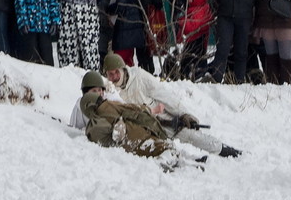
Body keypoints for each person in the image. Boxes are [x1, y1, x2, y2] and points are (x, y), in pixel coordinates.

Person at [102, 53, 242, 158]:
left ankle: (227, 151)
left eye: (116, 72)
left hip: (164, 120)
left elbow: (164, 95)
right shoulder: (109, 90)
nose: (114, 77)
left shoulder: (139, 76)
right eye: (110, 74)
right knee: (163, 151)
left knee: (192, 136)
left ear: (122, 69)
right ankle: (190, 162)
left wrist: (183, 114)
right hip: (144, 129)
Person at [78, 75, 202, 173]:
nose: (99, 94)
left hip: (138, 131)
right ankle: (169, 162)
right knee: (163, 148)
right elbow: (113, 133)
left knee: (166, 145)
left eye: (100, 90)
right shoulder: (91, 114)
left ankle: (186, 160)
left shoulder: (108, 103)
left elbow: (128, 111)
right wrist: (119, 122)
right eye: (94, 91)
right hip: (135, 138)